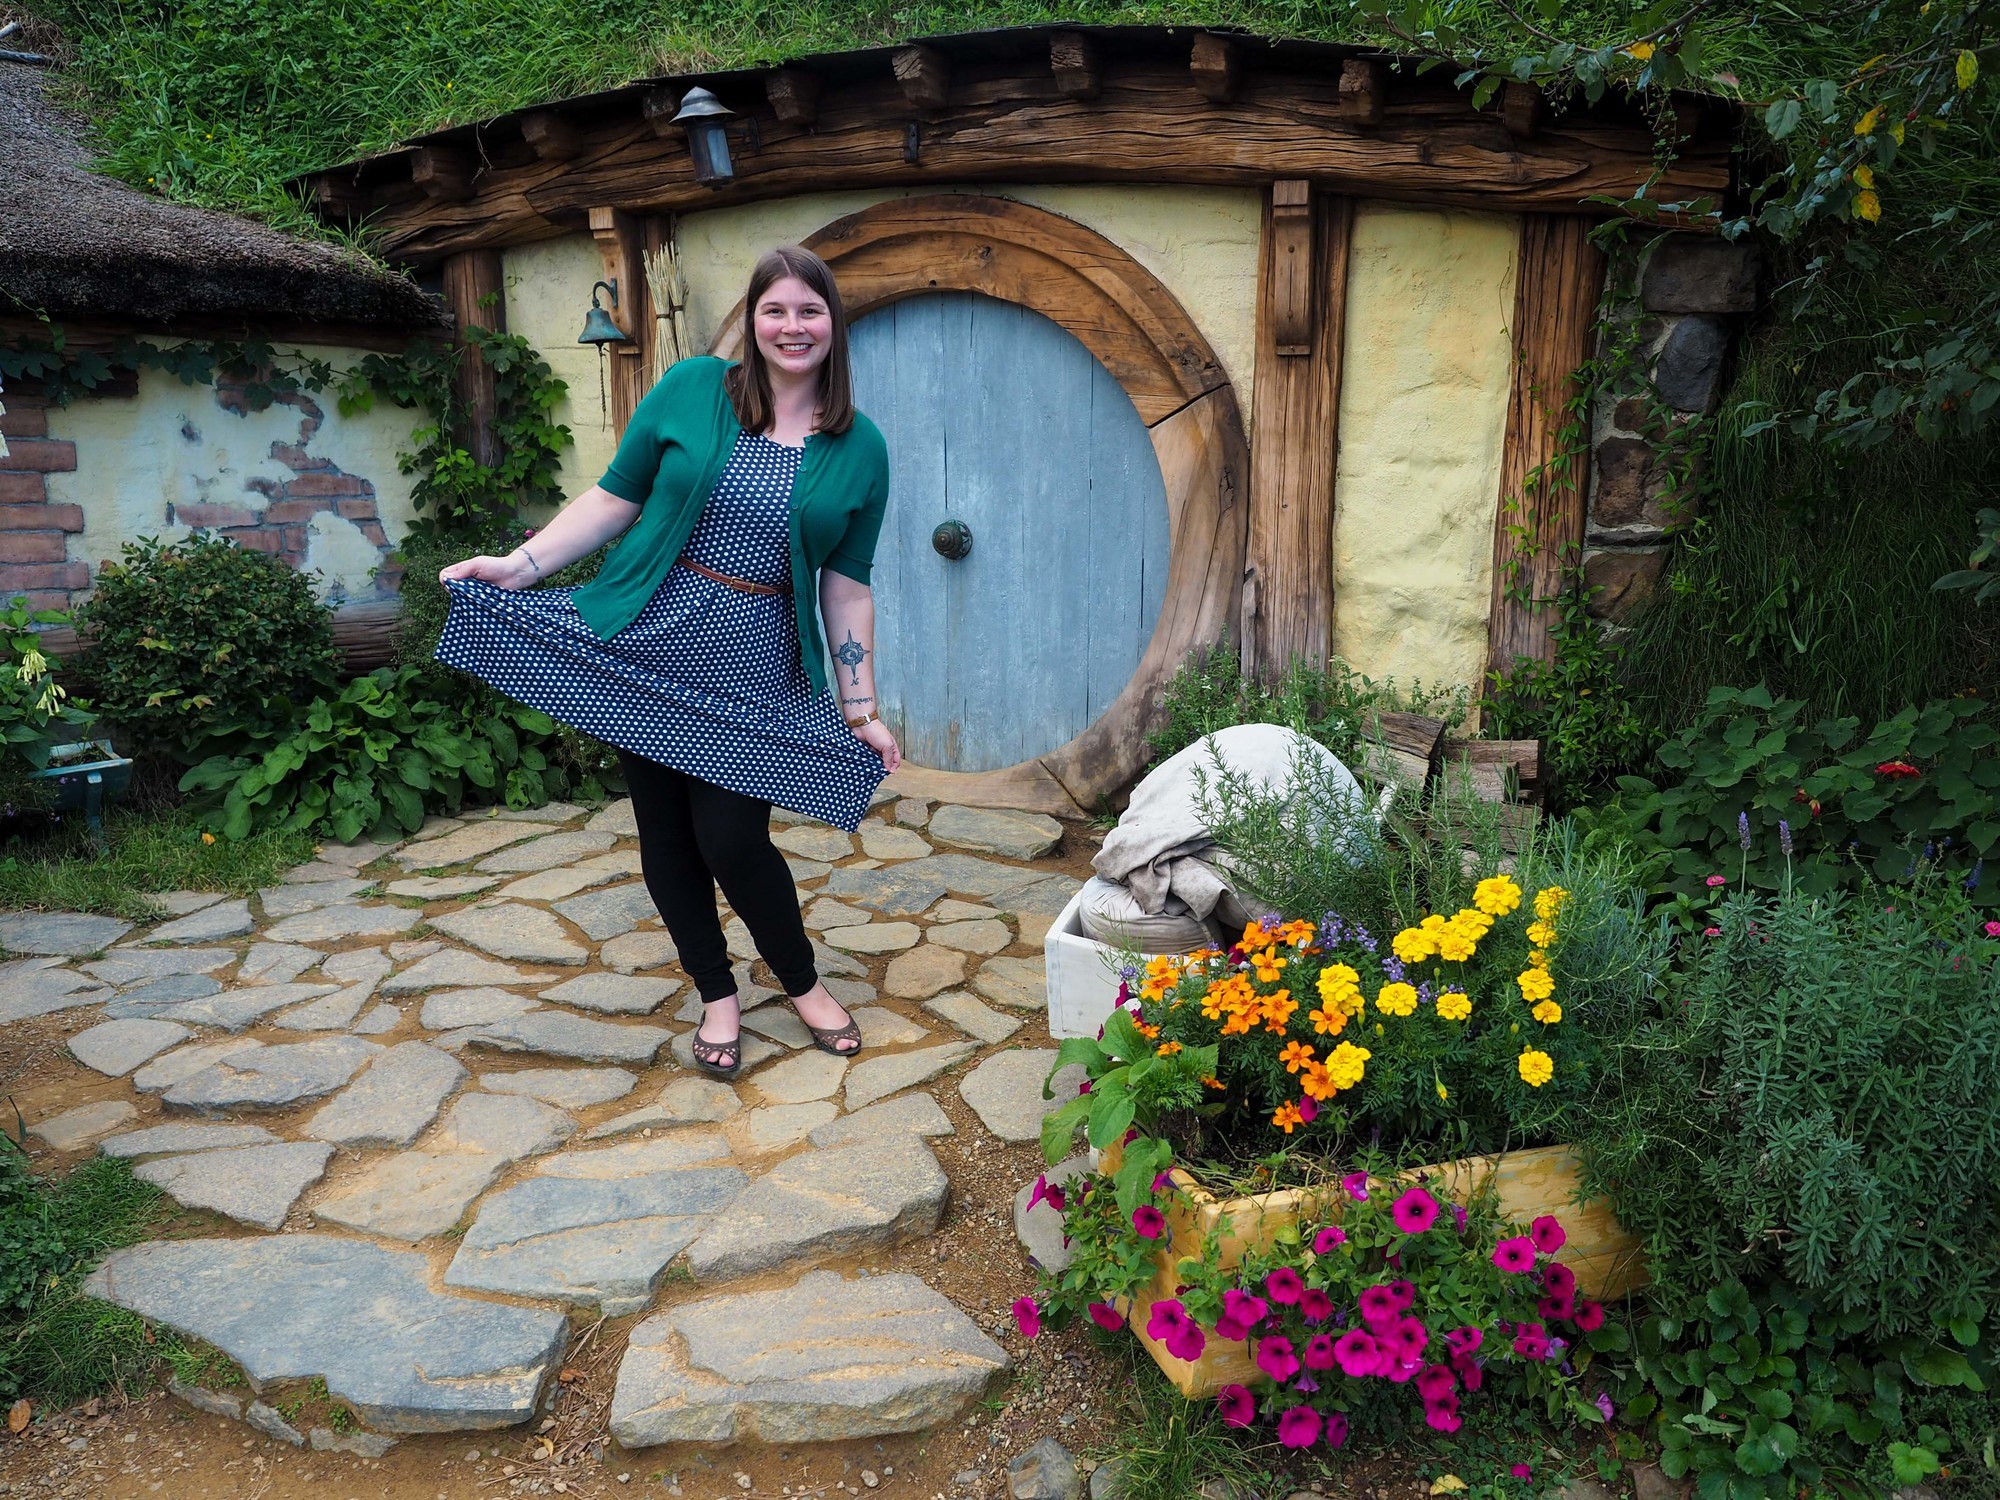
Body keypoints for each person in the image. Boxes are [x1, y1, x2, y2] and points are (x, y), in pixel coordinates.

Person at [432, 245, 899, 1079]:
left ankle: (800, 982)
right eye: (775, 310)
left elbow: (847, 586)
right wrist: (519, 566)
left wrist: (859, 707)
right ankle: (717, 993)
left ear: (835, 324)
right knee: (665, 837)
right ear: (752, 320)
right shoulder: (691, 390)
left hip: (753, 662)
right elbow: (614, 498)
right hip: (649, 635)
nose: (792, 327)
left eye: (810, 310)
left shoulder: (859, 446)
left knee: (732, 838)